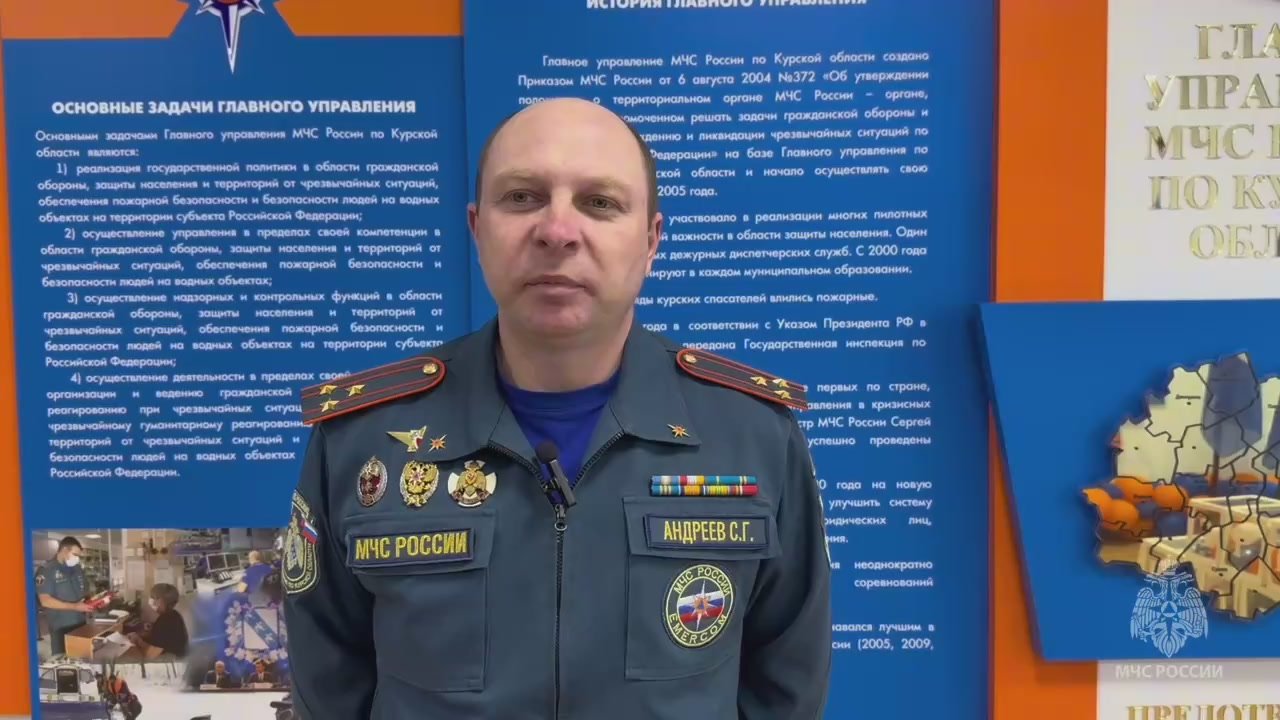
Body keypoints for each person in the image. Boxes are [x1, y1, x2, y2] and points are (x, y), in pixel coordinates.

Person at [282, 97, 832, 718]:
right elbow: (328, 684)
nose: (557, 231)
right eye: (522, 197)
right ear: (477, 229)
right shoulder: (362, 439)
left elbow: (787, 683)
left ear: (651, 240)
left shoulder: (753, 433)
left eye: (600, 202)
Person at [35, 536, 93, 657]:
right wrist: (74, 607)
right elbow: (45, 600)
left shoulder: (77, 568)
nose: (77, 558)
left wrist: (93, 602)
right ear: (65, 550)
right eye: (75, 554)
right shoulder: (46, 570)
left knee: (82, 657)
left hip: (80, 623)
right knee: (63, 660)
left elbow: (85, 591)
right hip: (60, 626)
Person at [126, 582, 189, 658]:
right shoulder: (174, 615)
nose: (151, 600)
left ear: (160, 601)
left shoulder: (165, 621)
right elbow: (163, 637)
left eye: (153, 597)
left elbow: (153, 654)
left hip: (168, 660)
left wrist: (138, 640)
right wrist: (152, 629)